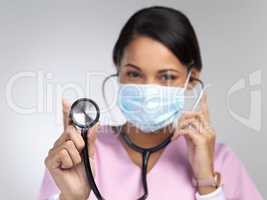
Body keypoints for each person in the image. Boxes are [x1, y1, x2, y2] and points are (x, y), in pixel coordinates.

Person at [38, 6, 263, 200]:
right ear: (118, 72)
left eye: (166, 76)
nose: (148, 89)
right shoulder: (76, 156)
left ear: (191, 79)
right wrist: (71, 198)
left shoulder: (220, 159)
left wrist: (206, 183)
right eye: (135, 74)